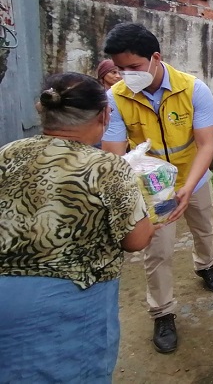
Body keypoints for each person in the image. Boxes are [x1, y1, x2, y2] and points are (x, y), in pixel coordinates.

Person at [0, 73, 154, 381]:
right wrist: (153, 215)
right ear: (104, 114)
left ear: (41, 109)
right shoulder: (107, 167)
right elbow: (136, 240)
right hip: (74, 297)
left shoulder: (7, 152)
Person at [102, 22, 213, 354]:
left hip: (194, 178)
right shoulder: (114, 98)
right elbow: (114, 154)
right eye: (120, 69)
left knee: (204, 228)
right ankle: (162, 311)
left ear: (155, 58)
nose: (126, 75)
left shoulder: (193, 89)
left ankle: (205, 264)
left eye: (134, 67)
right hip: (150, 187)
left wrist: (188, 187)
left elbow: (206, 144)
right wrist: (138, 189)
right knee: (157, 252)